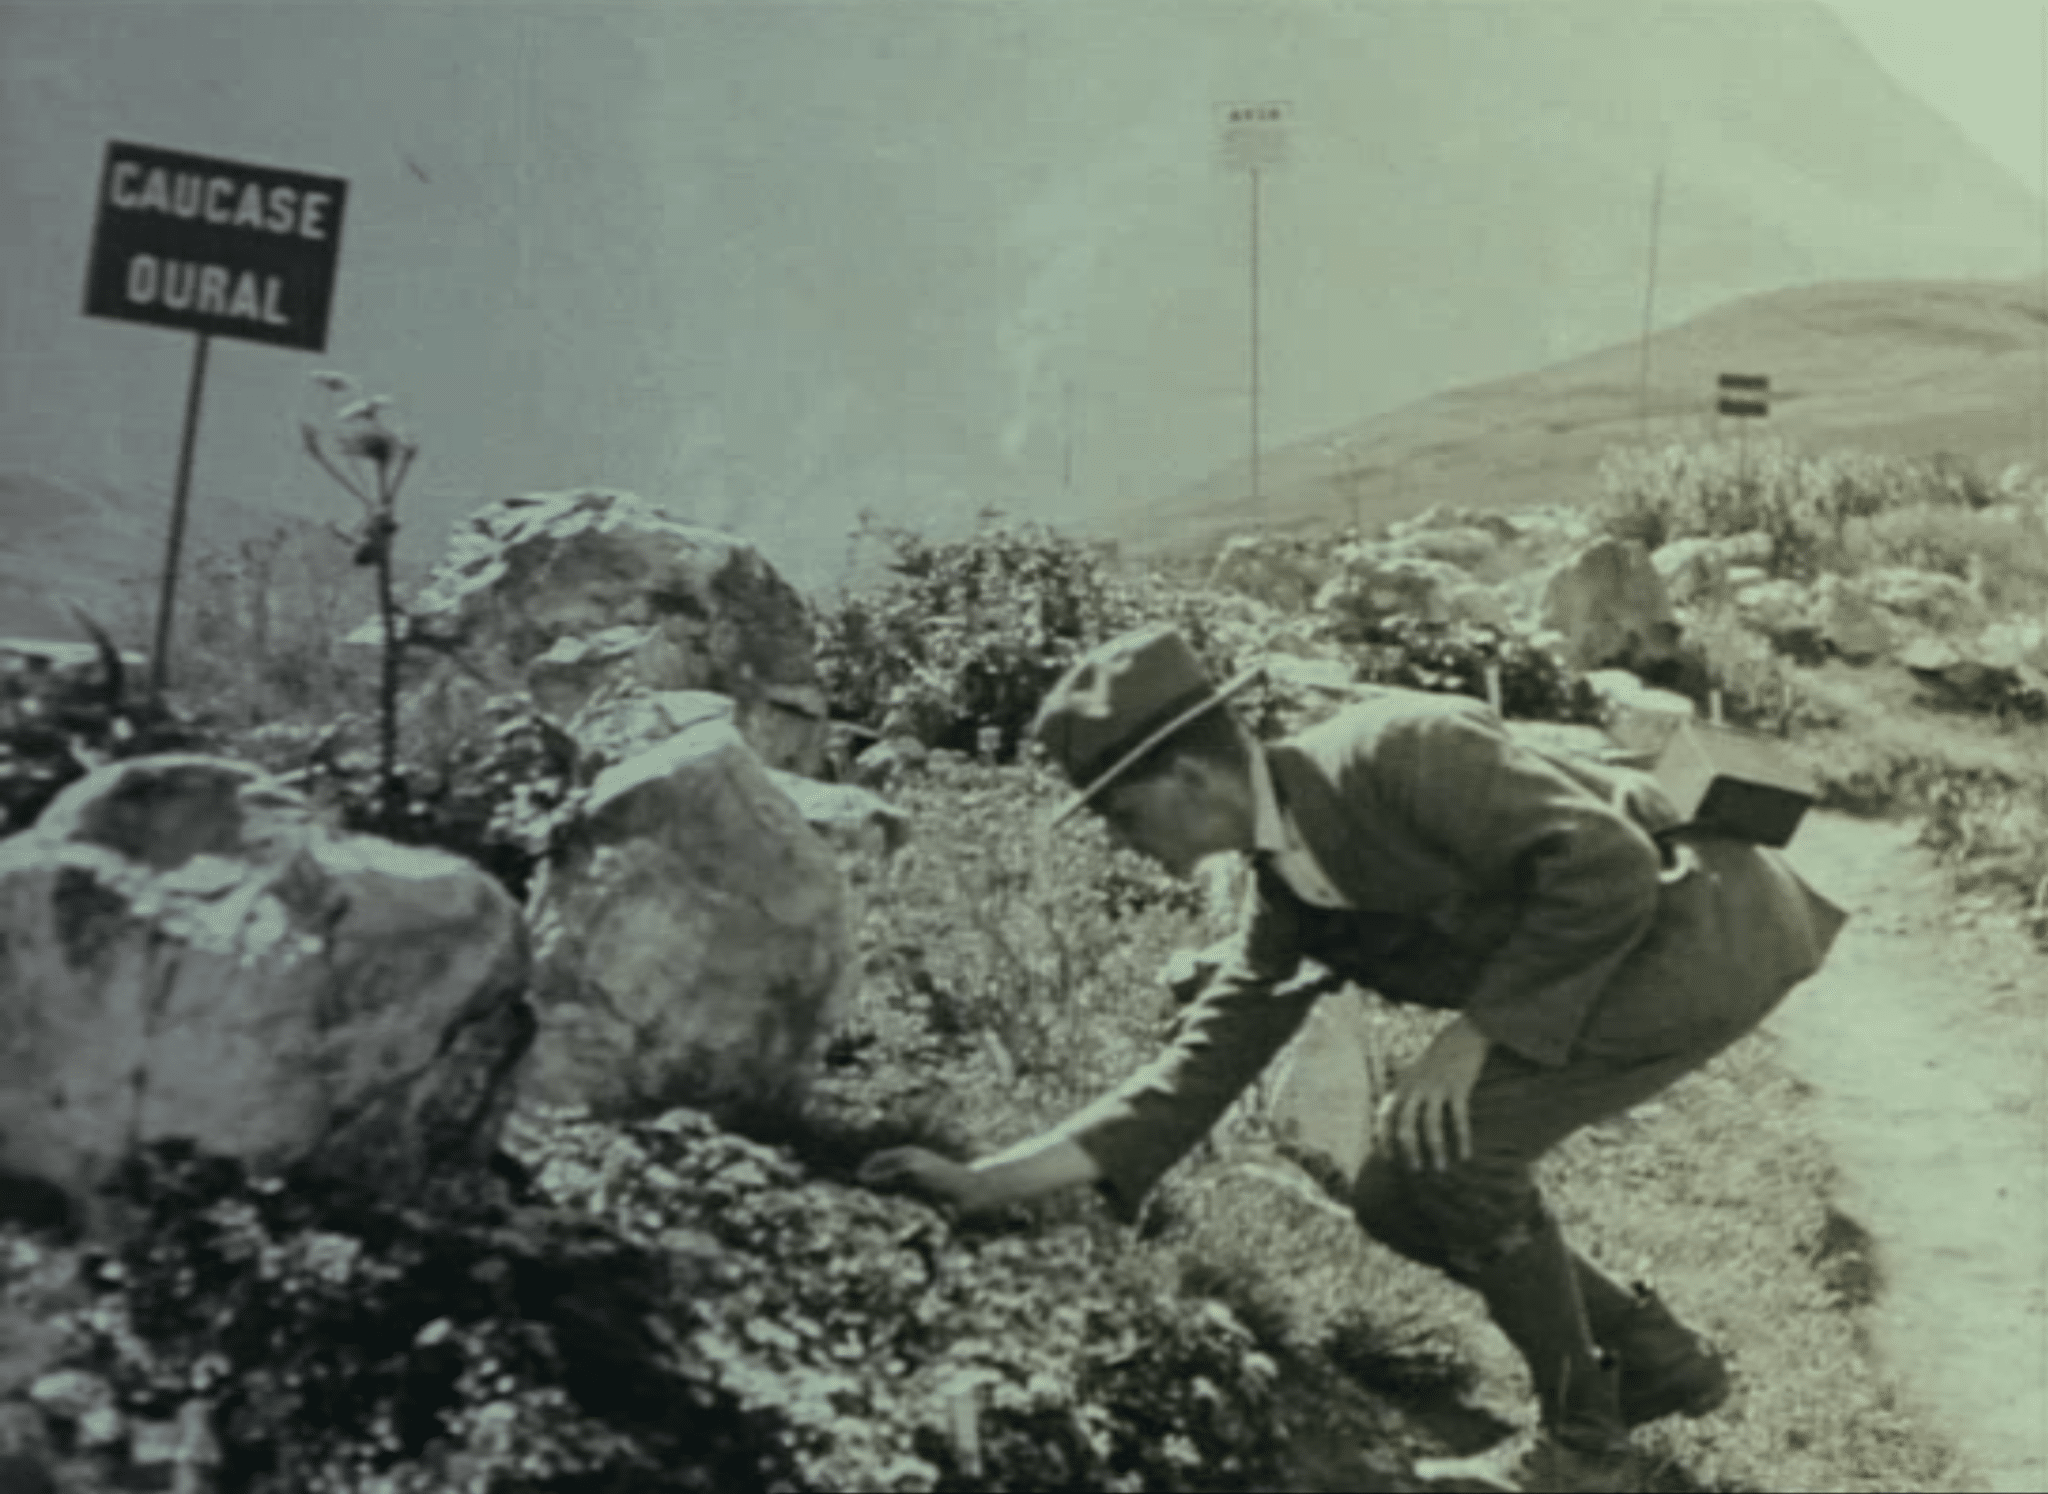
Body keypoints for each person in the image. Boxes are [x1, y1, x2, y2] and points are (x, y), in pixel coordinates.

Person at [860, 623, 1846, 1490]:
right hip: (1620, 958)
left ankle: (1585, 1443)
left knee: (1456, 1154)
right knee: (1389, 1194)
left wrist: (1475, 1033)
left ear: (1187, 780)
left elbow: (1607, 864)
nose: (1122, 844)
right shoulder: (1285, 897)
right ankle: (1651, 1356)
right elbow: (1192, 1072)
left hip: (1702, 933)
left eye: (1121, 815)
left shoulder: (1396, 752)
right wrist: (983, 1182)